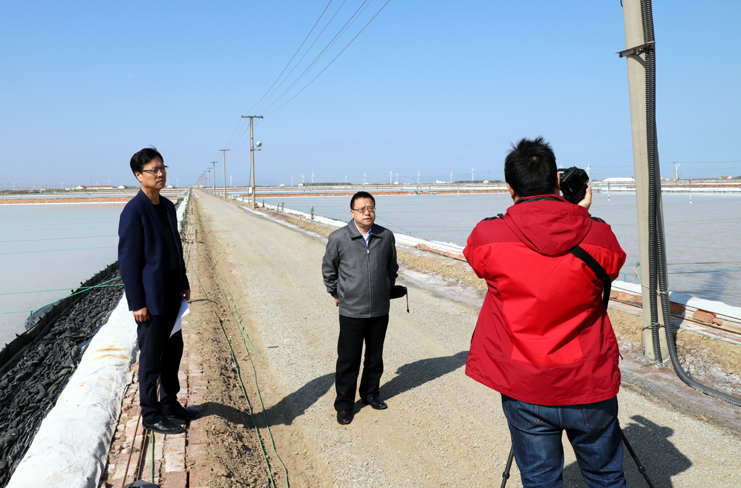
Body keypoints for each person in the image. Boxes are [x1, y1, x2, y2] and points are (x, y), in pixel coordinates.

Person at [463, 137, 628, 487]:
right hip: (588, 379)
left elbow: (477, 260)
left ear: (510, 188)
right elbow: (612, 264)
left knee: (540, 480)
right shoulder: (597, 234)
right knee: (606, 478)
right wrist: (579, 213)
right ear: (557, 179)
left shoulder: (488, 234)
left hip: (525, 383)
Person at [118, 147, 198, 435]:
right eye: (154, 170)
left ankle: (170, 403)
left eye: (162, 168)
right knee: (151, 359)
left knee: (174, 351)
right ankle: (151, 414)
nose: (160, 173)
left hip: (172, 294)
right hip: (150, 300)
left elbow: (176, 248)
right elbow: (128, 262)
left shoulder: (166, 206)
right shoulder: (133, 211)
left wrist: (184, 282)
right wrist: (137, 303)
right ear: (139, 175)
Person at [322, 191, 399, 425]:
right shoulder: (338, 238)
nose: (368, 212)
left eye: (371, 208)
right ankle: (344, 404)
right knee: (348, 359)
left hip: (379, 310)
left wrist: (385, 289)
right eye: (362, 209)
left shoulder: (385, 236)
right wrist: (337, 293)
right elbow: (329, 270)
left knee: (375, 357)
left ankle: (370, 394)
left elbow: (392, 268)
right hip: (351, 311)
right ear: (352, 212)